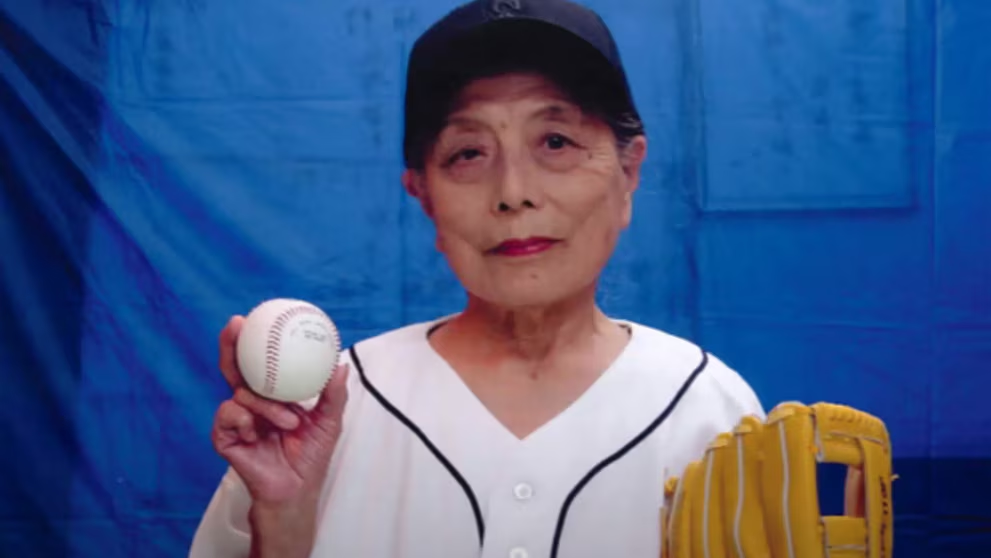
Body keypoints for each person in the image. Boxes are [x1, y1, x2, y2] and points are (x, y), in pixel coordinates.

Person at [189, 1, 764, 557]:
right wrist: (283, 528)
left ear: (629, 169)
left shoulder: (710, 411)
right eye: (468, 153)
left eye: (556, 142)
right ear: (423, 195)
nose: (514, 192)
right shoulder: (328, 414)